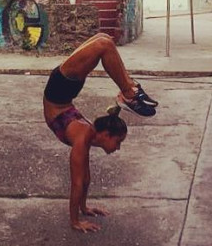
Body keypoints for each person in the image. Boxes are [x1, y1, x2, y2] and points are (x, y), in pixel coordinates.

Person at [42, 33, 159, 232]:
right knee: (104, 42)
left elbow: (84, 179)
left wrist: (84, 208)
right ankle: (128, 92)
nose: (118, 148)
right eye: (118, 141)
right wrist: (75, 222)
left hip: (62, 90)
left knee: (104, 41)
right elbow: (77, 183)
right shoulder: (83, 138)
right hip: (60, 89)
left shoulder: (86, 137)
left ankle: (129, 89)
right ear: (105, 135)